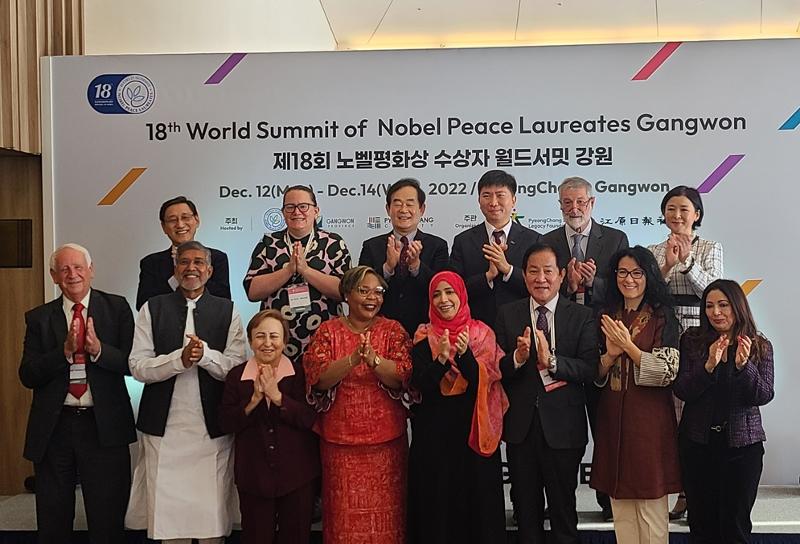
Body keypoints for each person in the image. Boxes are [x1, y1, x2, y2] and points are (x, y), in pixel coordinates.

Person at [127, 241, 247, 543]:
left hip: (211, 431)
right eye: (184, 262)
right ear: (175, 269)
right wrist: (178, 360)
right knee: (168, 522)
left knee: (212, 520)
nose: (191, 268)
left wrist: (205, 356)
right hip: (164, 431)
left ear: (209, 270)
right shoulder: (151, 308)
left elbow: (235, 369)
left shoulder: (228, 311)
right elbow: (138, 366)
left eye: (198, 263)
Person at [19, 243, 136, 544]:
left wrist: (98, 351)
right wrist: (64, 353)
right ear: (53, 276)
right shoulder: (38, 318)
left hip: (104, 426)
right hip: (55, 429)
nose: (72, 274)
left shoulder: (117, 307)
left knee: (107, 518)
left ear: (91, 271)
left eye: (78, 267)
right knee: (53, 518)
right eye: (64, 269)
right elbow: (28, 375)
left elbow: (133, 365)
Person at [496, 243, 598, 544]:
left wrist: (551, 361)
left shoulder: (581, 316)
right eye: (533, 271)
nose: (541, 278)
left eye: (548, 271)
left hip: (564, 431)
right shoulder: (507, 313)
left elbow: (589, 368)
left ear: (561, 274)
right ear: (524, 276)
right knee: (526, 514)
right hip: (521, 430)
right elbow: (497, 367)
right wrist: (517, 357)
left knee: (563, 513)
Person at [303, 265, 412, 544]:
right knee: (343, 523)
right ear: (347, 295)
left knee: (387, 524)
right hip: (340, 447)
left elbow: (402, 376)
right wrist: (352, 359)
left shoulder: (393, 330)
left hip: (385, 447)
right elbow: (318, 378)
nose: (372, 297)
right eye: (364, 291)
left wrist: (373, 360)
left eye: (378, 291)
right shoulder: (328, 331)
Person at [542, 175, 629, 520]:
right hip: (560, 346)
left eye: (581, 202)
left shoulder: (615, 238)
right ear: (560, 205)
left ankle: (610, 501)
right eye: (567, 202)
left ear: (592, 203)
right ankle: (560, 503)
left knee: (605, 425)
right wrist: (567, 285)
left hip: (602, 342)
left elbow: (628, 285)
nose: (574, 208)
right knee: (558, 429)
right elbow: (542, 289)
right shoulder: (547, 241)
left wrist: (595, 282)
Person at [407, 270, 508, 543]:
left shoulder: (482, 334)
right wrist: (441, 360)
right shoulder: (422, 335)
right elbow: (419, 385)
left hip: (473, 435)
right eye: (437, 294)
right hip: (434, 440)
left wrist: (463, 357)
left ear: (461, 295)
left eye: (450, 292)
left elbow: (484, 383)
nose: (444, 299)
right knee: (437, 507)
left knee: (477, 506)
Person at [590, 246, 681, 543]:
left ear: (648, 275)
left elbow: (669, 371)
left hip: (649, 423)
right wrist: (609, 356)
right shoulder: (606, 314)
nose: (628, 279)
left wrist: (630, 349)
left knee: (651, 508)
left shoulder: (662, 315)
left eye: (636, 273)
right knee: (622, 511)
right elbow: (594, 373)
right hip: (613, 418)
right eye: (622, 272)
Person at [673, 279, 774, 544]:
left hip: (743, 451)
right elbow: (682, 390)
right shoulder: (692, 341)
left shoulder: (760, 345)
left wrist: (744, 368)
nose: (715, 312)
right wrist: (707, 366)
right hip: (698, 447)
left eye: (722, 305)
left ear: (737, 306)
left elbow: (763, 395)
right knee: (701, 526)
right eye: (709, 306)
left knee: (736, 527)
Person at [647, 185, 723, 518]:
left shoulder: (710, 247)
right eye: (671, 209)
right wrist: (665, 266)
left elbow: (713, 291)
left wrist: (687, 262)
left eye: (684, 209)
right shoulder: (652, 249)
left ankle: (700, 492)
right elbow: (646, 292)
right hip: (665, 332)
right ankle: (681, 492)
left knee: (698, 413)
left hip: (700, 333)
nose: (677, 216)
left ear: (697, 215)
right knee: (671, 417)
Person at [219, 310, 319, 544]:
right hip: (253, 476)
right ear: (251, 341)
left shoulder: (300, 374)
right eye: (260, 336)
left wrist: (278, 398)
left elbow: (310, 419)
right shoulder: (236, 376)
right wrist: (253, 401)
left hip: (297, 477)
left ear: (284, 341)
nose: (267, 343)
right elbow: (225, 422)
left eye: (274, 336)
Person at [244, 185, 351, 361]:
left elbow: (345, 291)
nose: (297, 212)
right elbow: (252, 291)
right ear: (283, 212)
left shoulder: (333, 242)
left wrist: (306, 270)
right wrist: (288, 270)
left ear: (316, 211)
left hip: (325, 335)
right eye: (290, 207)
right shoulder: (268, 243)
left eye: (303, 206)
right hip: (278, 339)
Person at [450, 169, 541, 329]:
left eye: (500, 195)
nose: (493, 202)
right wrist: (488, 276)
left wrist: (508, 269)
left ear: (513, 200)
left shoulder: (534, 240)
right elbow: (454, 289)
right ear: (479, 200)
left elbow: (541, 286)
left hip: (522, 327)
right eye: (486, 195)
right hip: (476, 329)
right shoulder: (463, 241)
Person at [358, 177, 449, 336]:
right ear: (388, 209)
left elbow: (441, 290)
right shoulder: (371, 246)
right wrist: (387, 267)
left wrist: (416, 267)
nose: (403, 209)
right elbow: (361, 290)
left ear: (421, 209)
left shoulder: (438, 246)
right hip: (380, 330)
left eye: (409, 204)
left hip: (426, 330)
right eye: (398, 204)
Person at [136, 195, 231, 310]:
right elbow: (143, 305)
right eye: (172, 220)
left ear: (197, 220)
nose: (180, 225)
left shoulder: (217, 258)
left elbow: (224, 300)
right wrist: (176, 278)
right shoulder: (151, 263)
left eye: (185, 217)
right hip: (165, 325)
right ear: (164, 227)